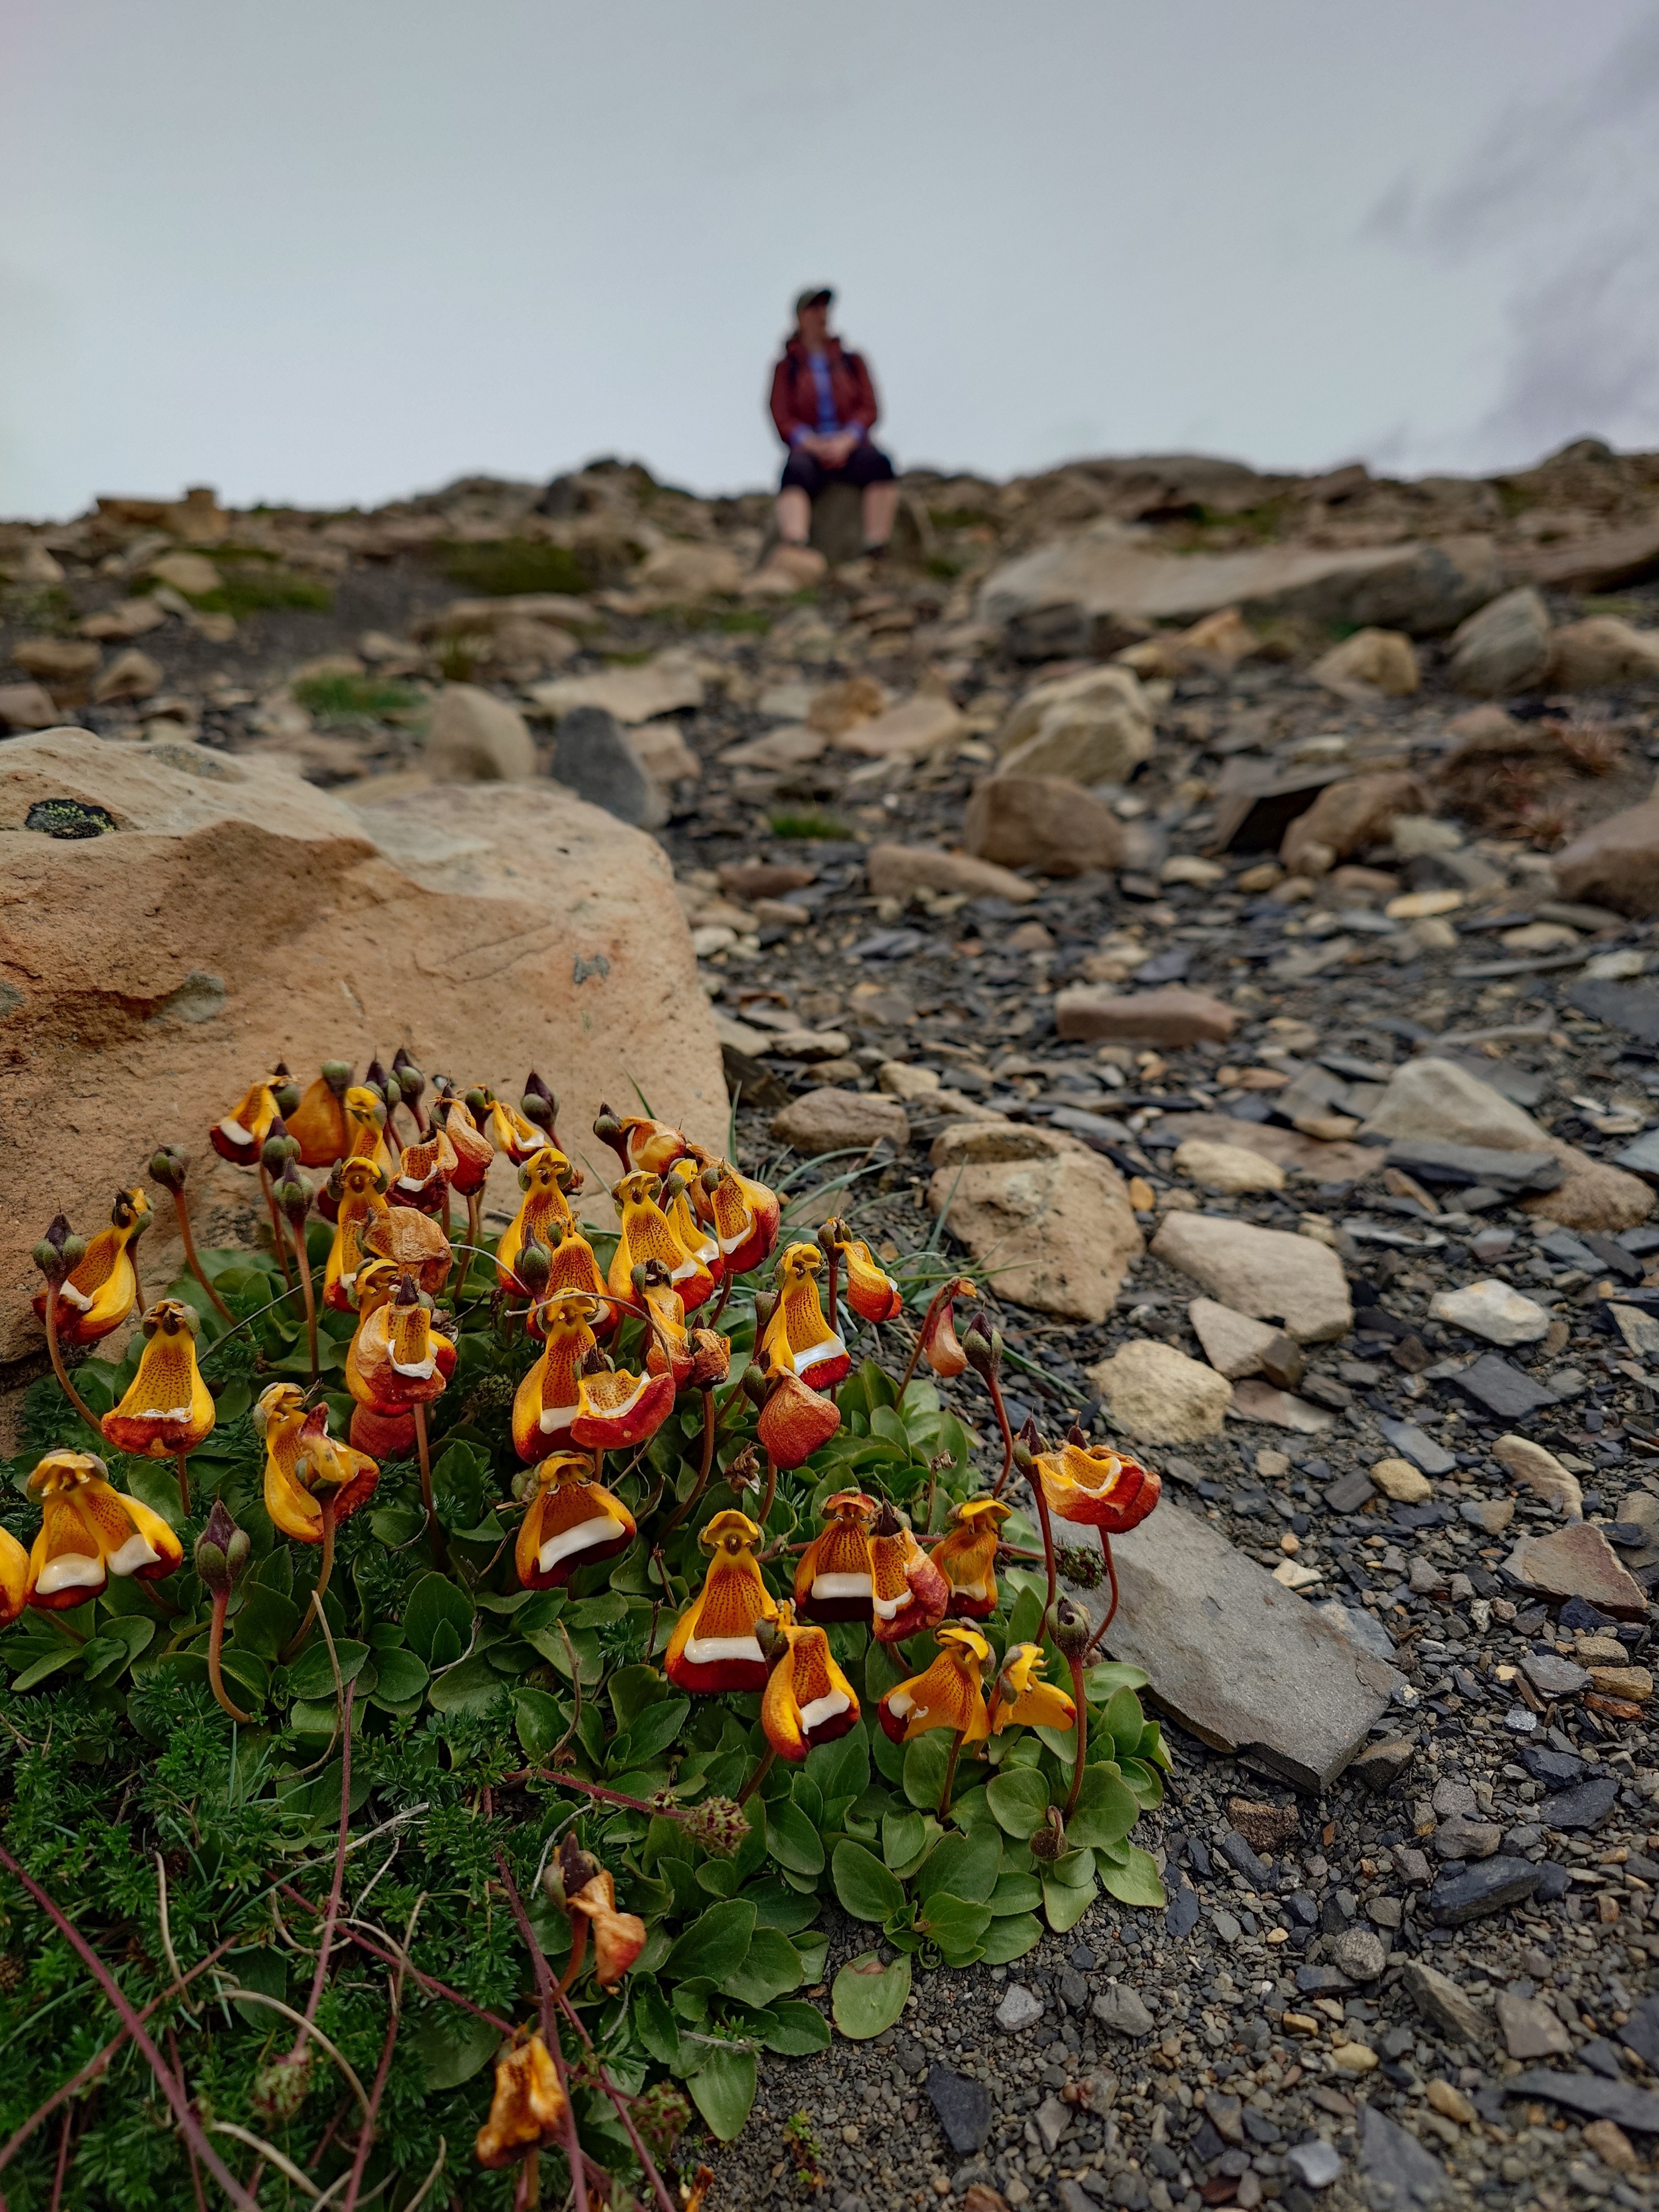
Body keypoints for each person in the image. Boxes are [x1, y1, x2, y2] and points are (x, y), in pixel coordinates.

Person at [769, 287, 898, 559]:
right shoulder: (786, 367)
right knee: (794, 472)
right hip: (810, 449)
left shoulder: (852, 361)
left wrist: (847, 440)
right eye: (814, 309)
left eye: (824, 309)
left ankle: (877, 545)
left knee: (880, 465)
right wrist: (811, 443)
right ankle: (796, 547)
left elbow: (869, 408)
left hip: (850, 446)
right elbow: (782, 415)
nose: (822, 315)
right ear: (800, 317)